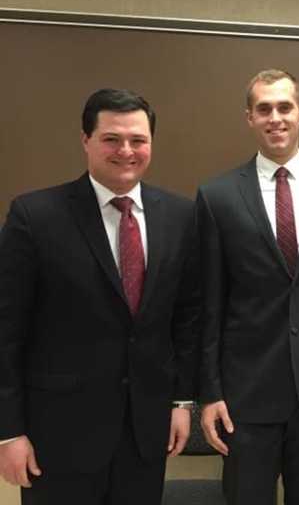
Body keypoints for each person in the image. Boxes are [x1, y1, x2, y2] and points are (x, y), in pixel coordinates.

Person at [0, 88, 199, 505]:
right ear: (86, 140)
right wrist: (8, 432)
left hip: (144, 434)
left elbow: (186, 318)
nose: (126, 150)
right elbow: (7, 330)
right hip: (59, 436)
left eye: (137, 140)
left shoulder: (181, 217)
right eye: (112, 138)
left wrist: (182, 401)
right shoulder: (34, 217)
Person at [197, 69, 299, 505]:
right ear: (249, 118)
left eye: (284, 107)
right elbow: (209, 302)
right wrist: (210, 391)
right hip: (245, 397)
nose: (276, 118)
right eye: (264, 109)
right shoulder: (217, 196)